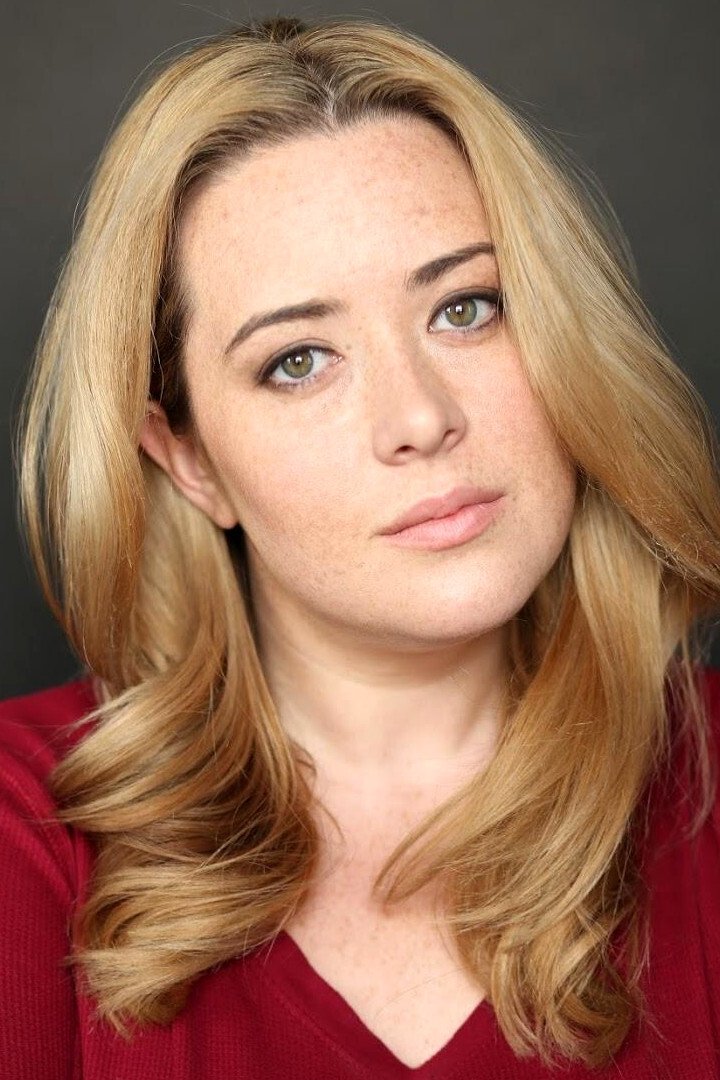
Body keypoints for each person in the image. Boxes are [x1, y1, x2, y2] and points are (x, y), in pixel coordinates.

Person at [2, 13, 719, 1079]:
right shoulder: (22, 828)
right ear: (189, 459)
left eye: (467, 308)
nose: (421, 417)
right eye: (299, 360)